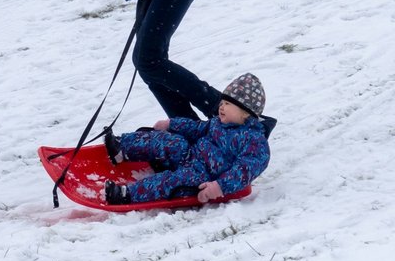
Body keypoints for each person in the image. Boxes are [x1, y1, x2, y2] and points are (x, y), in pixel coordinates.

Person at [103, 73, 273, 205]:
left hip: (203, 176)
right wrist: (171, 124)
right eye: (222, 102)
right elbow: (197, 128)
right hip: (190, 155)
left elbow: (243, 171)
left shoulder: (254, 143)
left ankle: (126, 195)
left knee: (171, 181)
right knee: (173, 142)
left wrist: (219, 186)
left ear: (245, 112)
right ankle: (121, 148)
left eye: (228, 104)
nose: (221, 106)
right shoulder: (219, 123)